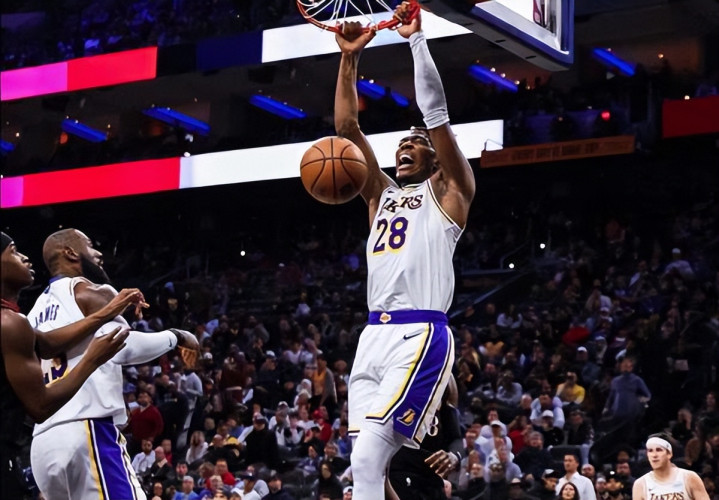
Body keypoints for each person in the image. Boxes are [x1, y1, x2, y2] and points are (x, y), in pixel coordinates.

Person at [333, 4, 475, 497]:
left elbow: (435, 114)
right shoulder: (380, 195)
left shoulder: (451, 191)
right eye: (401, 143)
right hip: (373, 334)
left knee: (370, 454)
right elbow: (347, 131)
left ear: (437, 157)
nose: (404, 147)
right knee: (366, 467)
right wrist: (349, 57)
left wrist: (415, 40)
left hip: (420, 331)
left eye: (416, 143)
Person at [26, 228, 200, 500]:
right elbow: (124, 347)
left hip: (42, 445)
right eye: (90, 245)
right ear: (71, 253)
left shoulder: (32, 314)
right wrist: (177, 336)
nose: (99, 254)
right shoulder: (89, 290)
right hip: (85, 429)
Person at [0, 231, 144, 498]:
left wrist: (107, 310)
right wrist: (91, 359)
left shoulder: (19, 320)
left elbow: (47, 344)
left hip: (37, 448)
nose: (25, 257)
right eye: (14, 251)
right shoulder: (9, 322)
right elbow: (40, 406)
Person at [631, 435, 710, 500]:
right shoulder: (641, 484)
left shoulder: (689, 478)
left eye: (659, 450)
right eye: (650, 451)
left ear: (669, 454)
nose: (654, 455)